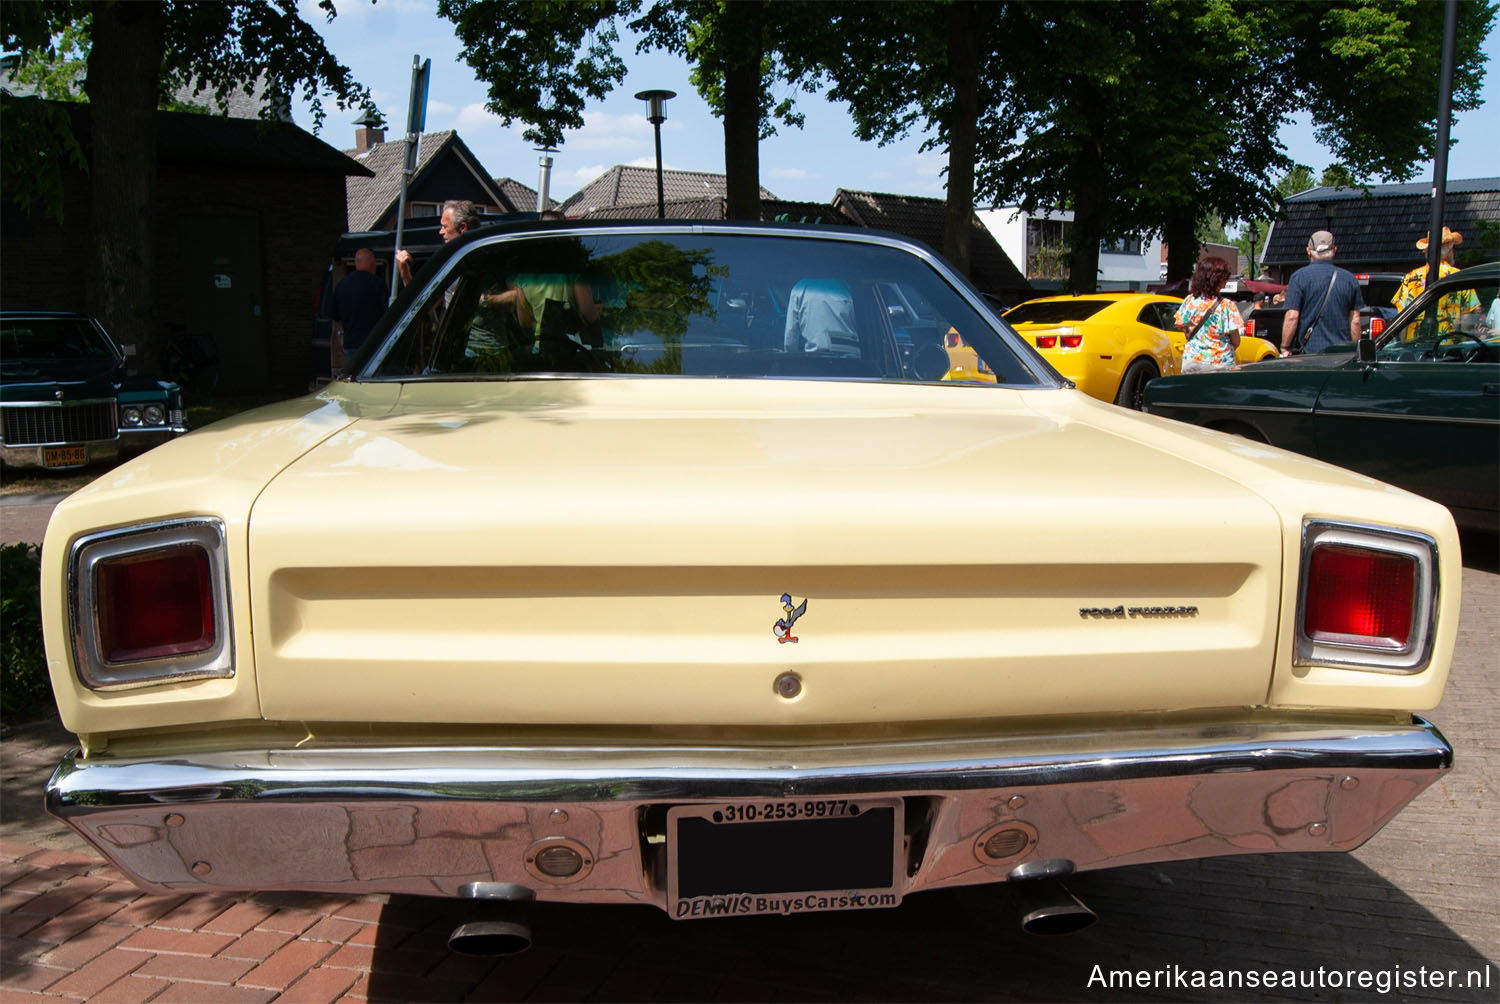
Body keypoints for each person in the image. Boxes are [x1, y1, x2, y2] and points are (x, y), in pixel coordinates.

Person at [1280, 230, 1362, 356]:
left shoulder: (1299, 277)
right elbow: (1355, 320)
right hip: (1341, 355)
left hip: (1310, 354)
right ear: (1334, 250)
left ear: (1308, 250)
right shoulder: (1349, 279)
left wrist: (1285, 347)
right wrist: (1356, 350)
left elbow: (1292, 316)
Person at [1392, 227, 1481, 333]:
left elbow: (1402, 317)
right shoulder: (1459, 276)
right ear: (1449, 247)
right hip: (1448, 346)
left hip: (1415, 346)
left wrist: (1403, 345)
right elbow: (1467, 318)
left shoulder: (1411, 277)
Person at [1173, 257, 1242, 373]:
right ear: (1216, 279)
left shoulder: (1188, 302)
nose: (1226, 280)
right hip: (1220, 363)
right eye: (1224, 277)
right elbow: (1236, 341)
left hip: (1192, 361)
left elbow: (1186, 332)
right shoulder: (1227, 306)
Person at [396, 199, 481, 285]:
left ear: (462, 227)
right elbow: (429, 298)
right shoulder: (448, 259)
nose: (441, 231)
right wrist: (405, 273)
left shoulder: (485, 257)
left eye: (445, 226)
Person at [330, 248, 387, 371]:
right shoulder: (378, 284)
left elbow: (335, 315)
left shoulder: (342, 285)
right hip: (374, 344)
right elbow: (386, 315)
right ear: (372, 264)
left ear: (356, 263)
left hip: (351, 344)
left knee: (355, 375)